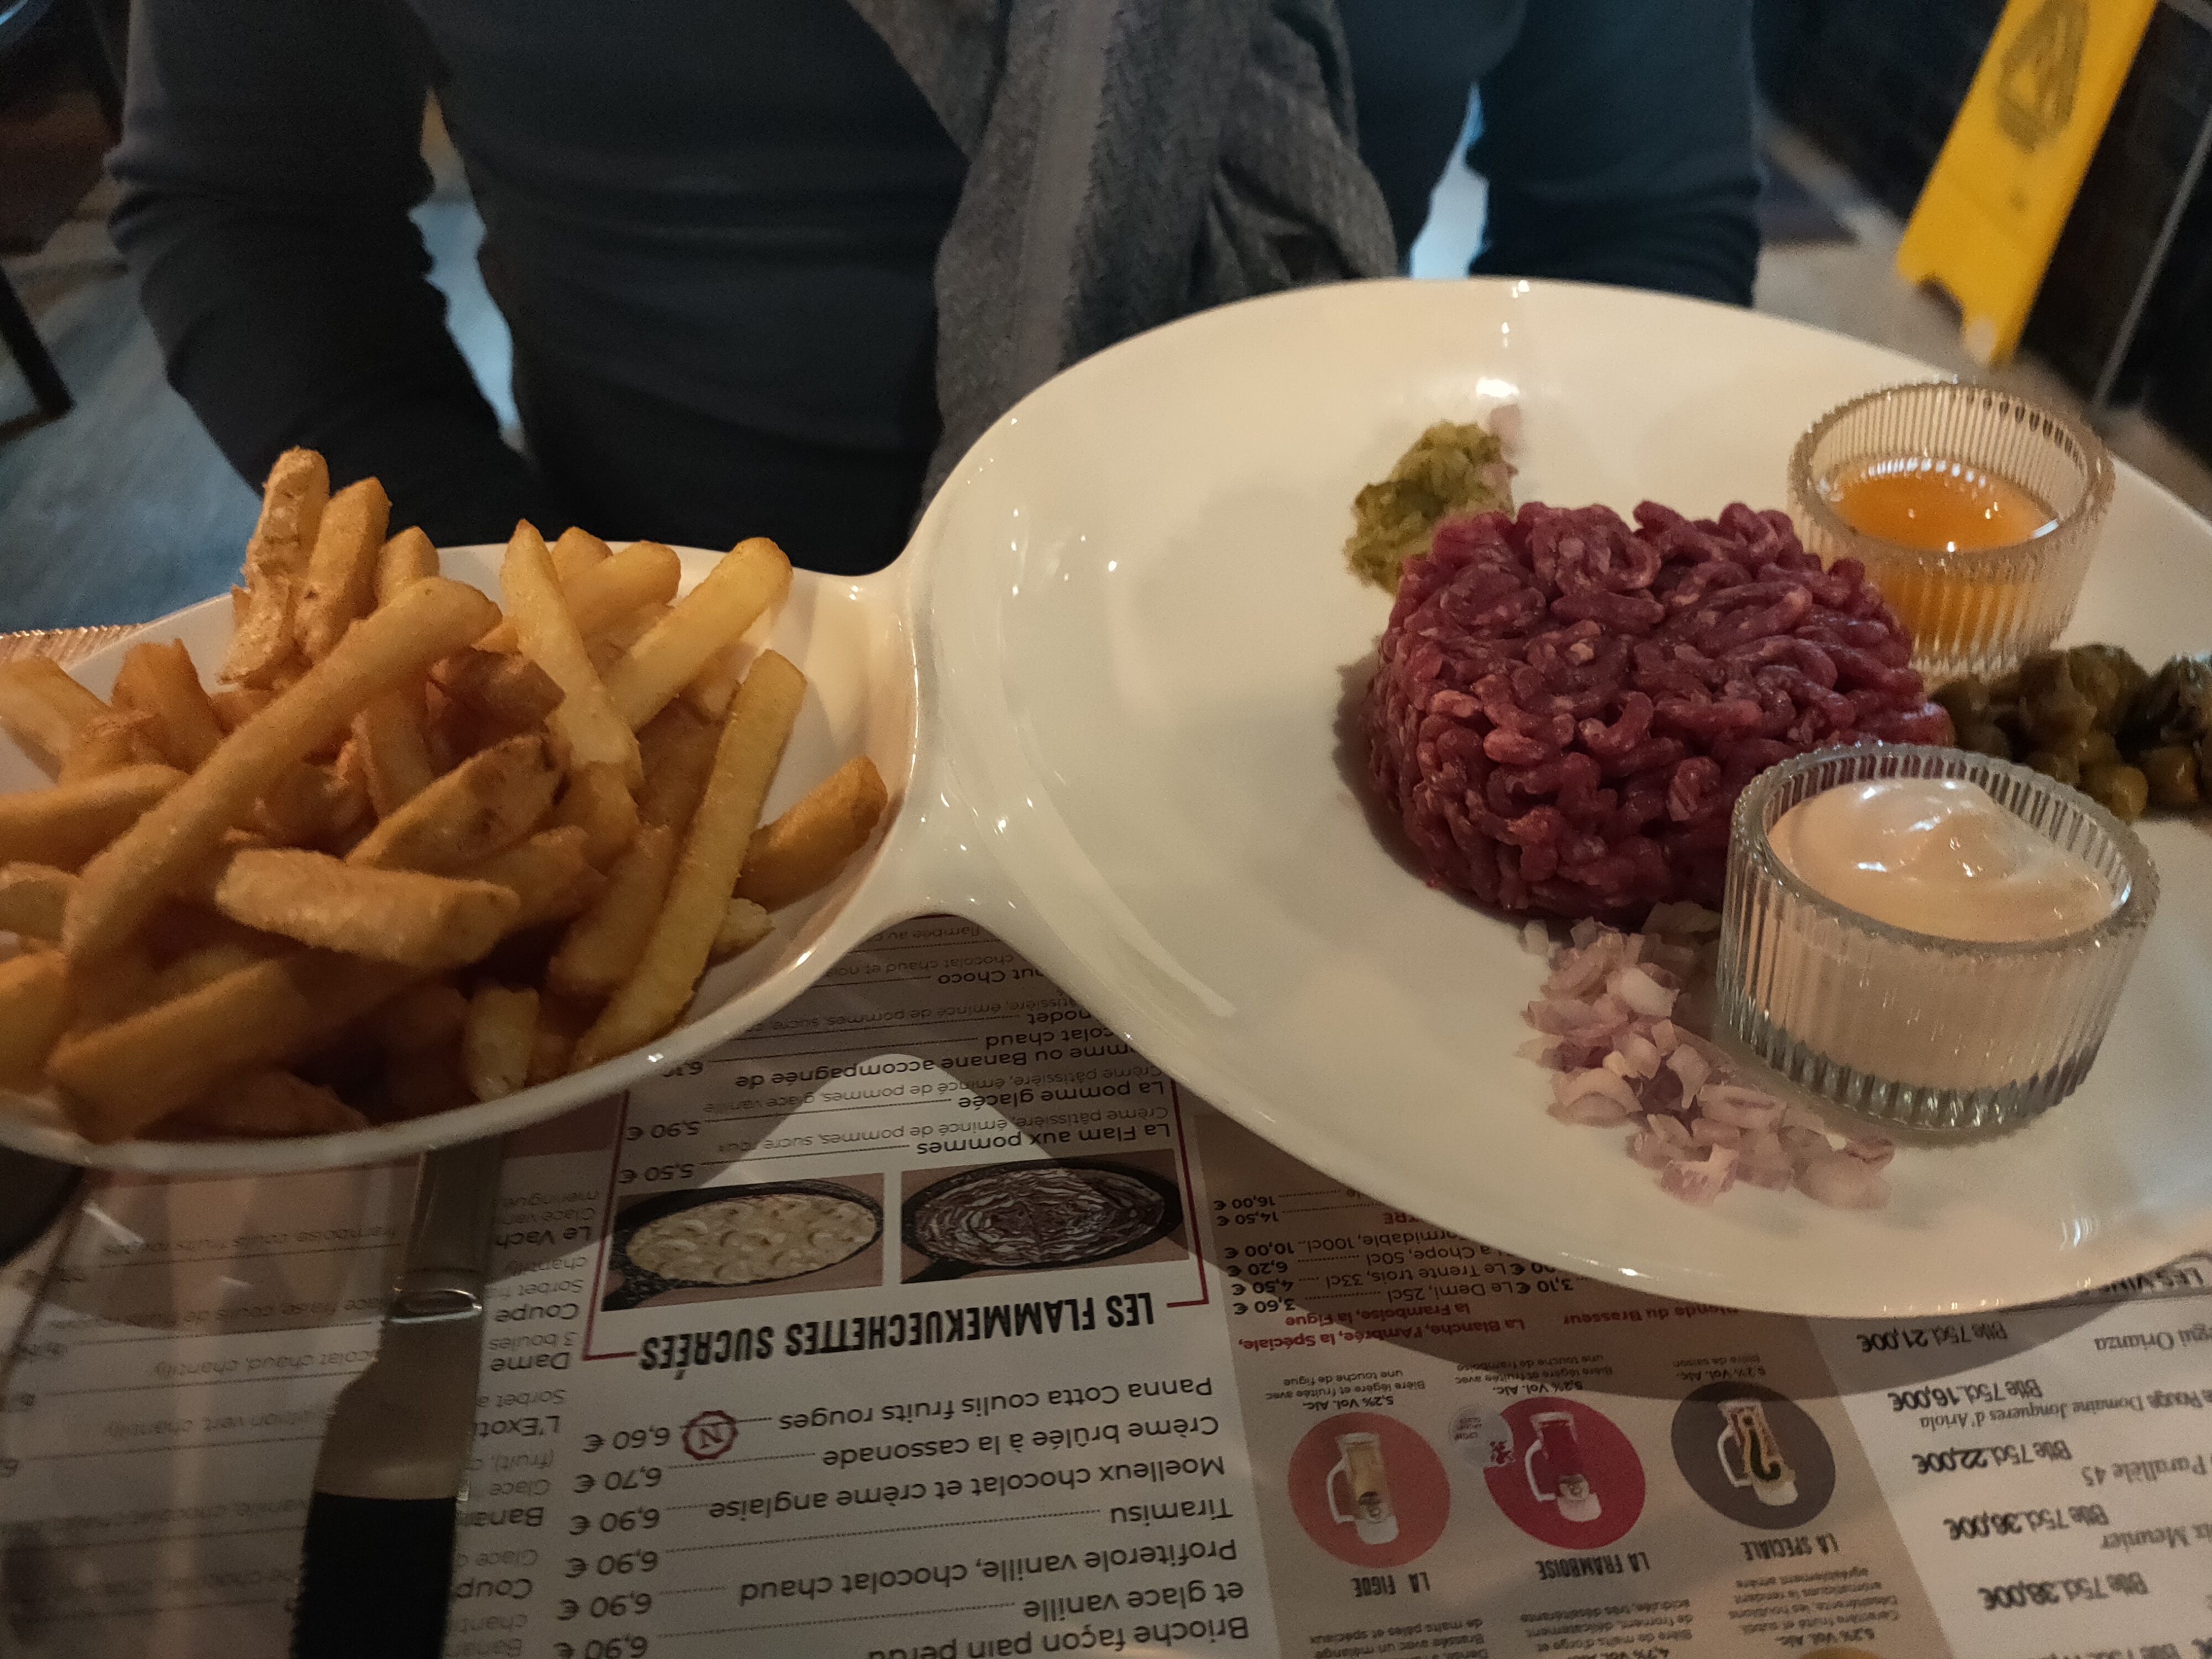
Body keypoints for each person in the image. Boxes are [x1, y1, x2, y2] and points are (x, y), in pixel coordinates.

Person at [109, 1, 1758, 576]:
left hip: (1325, 667)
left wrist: (1514, 645)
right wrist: (521, 610)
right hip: (675, 686)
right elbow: (250, 205)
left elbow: (1641, 219)